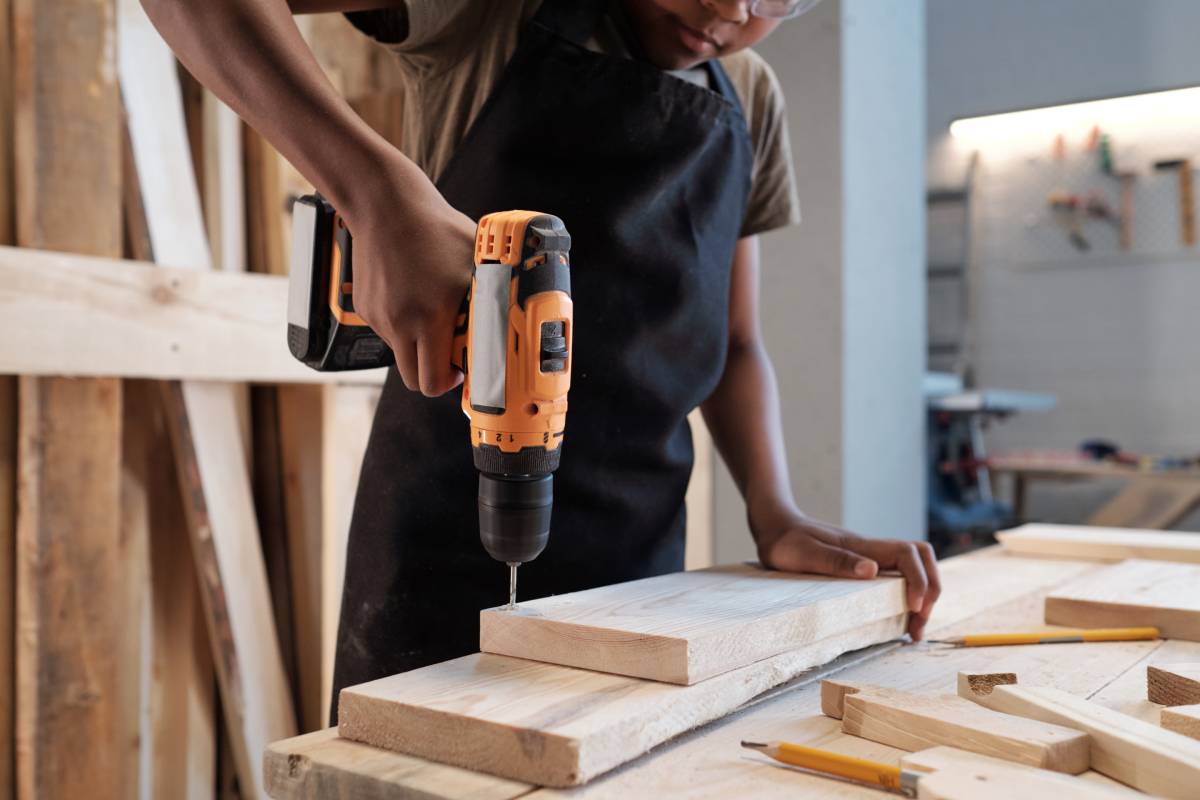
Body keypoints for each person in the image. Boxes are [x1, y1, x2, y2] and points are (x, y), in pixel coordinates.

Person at [141, 0, 941, 719]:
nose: (730, 9)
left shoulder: (751, 95)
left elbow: (733, 344)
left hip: (641, 567)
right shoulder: (486, 15)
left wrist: (777, 515)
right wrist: (372, 188)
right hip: (437, 543)